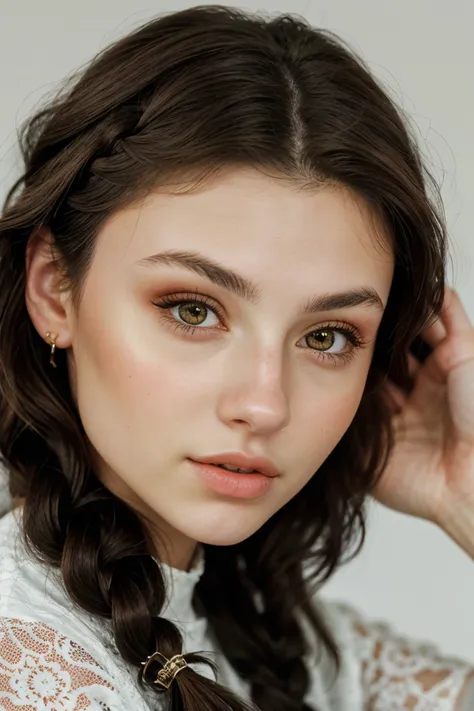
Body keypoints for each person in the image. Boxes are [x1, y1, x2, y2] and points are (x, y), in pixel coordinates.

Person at [0, 5, 472, 710]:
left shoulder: (299, 654)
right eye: (193, 310)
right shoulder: (27, 672)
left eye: (326, 336)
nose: (264, 403)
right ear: (55, 290)